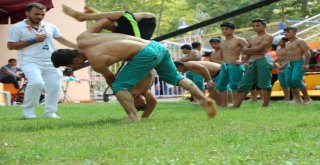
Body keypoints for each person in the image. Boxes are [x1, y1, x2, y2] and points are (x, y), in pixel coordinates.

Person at [51, 18, 217, 121]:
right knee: (174, 77)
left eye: (72, 65)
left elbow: (112, 81)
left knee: (118, 87)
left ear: (76, 59)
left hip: (144, 54)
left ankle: (132, 116)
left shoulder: (96, 62)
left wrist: (129, 91)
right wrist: (118, 34)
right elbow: (103, 22)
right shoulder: (83, 38)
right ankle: (203, 99)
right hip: (155, 45)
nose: (75, 67)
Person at [7, 2, 77, 119]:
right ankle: (28, 111)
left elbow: (63, 40)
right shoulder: (17, 27)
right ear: (27, 13)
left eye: (42, 14)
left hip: (51, 61)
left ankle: (50, 112)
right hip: (30, 61)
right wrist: (33, 40)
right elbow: (11, 46)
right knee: (36, 82)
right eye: (36, 14)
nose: (39, 17)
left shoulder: (50, 26)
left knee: (55, 85)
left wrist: (80, 48)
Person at [233, 18, 273, 108]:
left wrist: (248, 51)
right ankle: (236, 105)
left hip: (263, 60)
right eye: (254, 26)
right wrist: (243, 61)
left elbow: (260, 49)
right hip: (252, 61)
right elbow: (247, 51)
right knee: (244, 83)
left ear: (264, 26)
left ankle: (265, 105)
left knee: (264, 84)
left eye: (258, 25)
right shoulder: (252, 38)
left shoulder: (268, 36)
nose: (255, 27)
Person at [62, 4, 156, 40]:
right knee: (105, 21)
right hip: (132, 33)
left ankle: (84, 16)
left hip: (137, 37)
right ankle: (95, 15)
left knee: (125, 15)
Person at [216, 22, 248, 107]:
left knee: (235, 85)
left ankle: (236, 104)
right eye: (222, 29)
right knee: (220, 85)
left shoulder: (239, 40)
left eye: (226, 29)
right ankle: (224, 104)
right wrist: (222, 62)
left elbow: (248, 50)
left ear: (233, 30)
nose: (224, 31)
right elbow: (222, 53)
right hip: (225, 65)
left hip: (235, 65)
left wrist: (242, 61)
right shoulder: (222, 41)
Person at [284, 27, 312, 104]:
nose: (286, 34)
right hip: (290, 64)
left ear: (295, 32)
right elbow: (288, 55)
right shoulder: (287, 43)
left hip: (299, 62)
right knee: (288, 81)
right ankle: (298, 99)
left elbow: (307, 52)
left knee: (295, 80)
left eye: (288, 32)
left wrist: (306, 64)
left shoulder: (300, 41)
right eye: (285, 32)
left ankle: (307, 98)